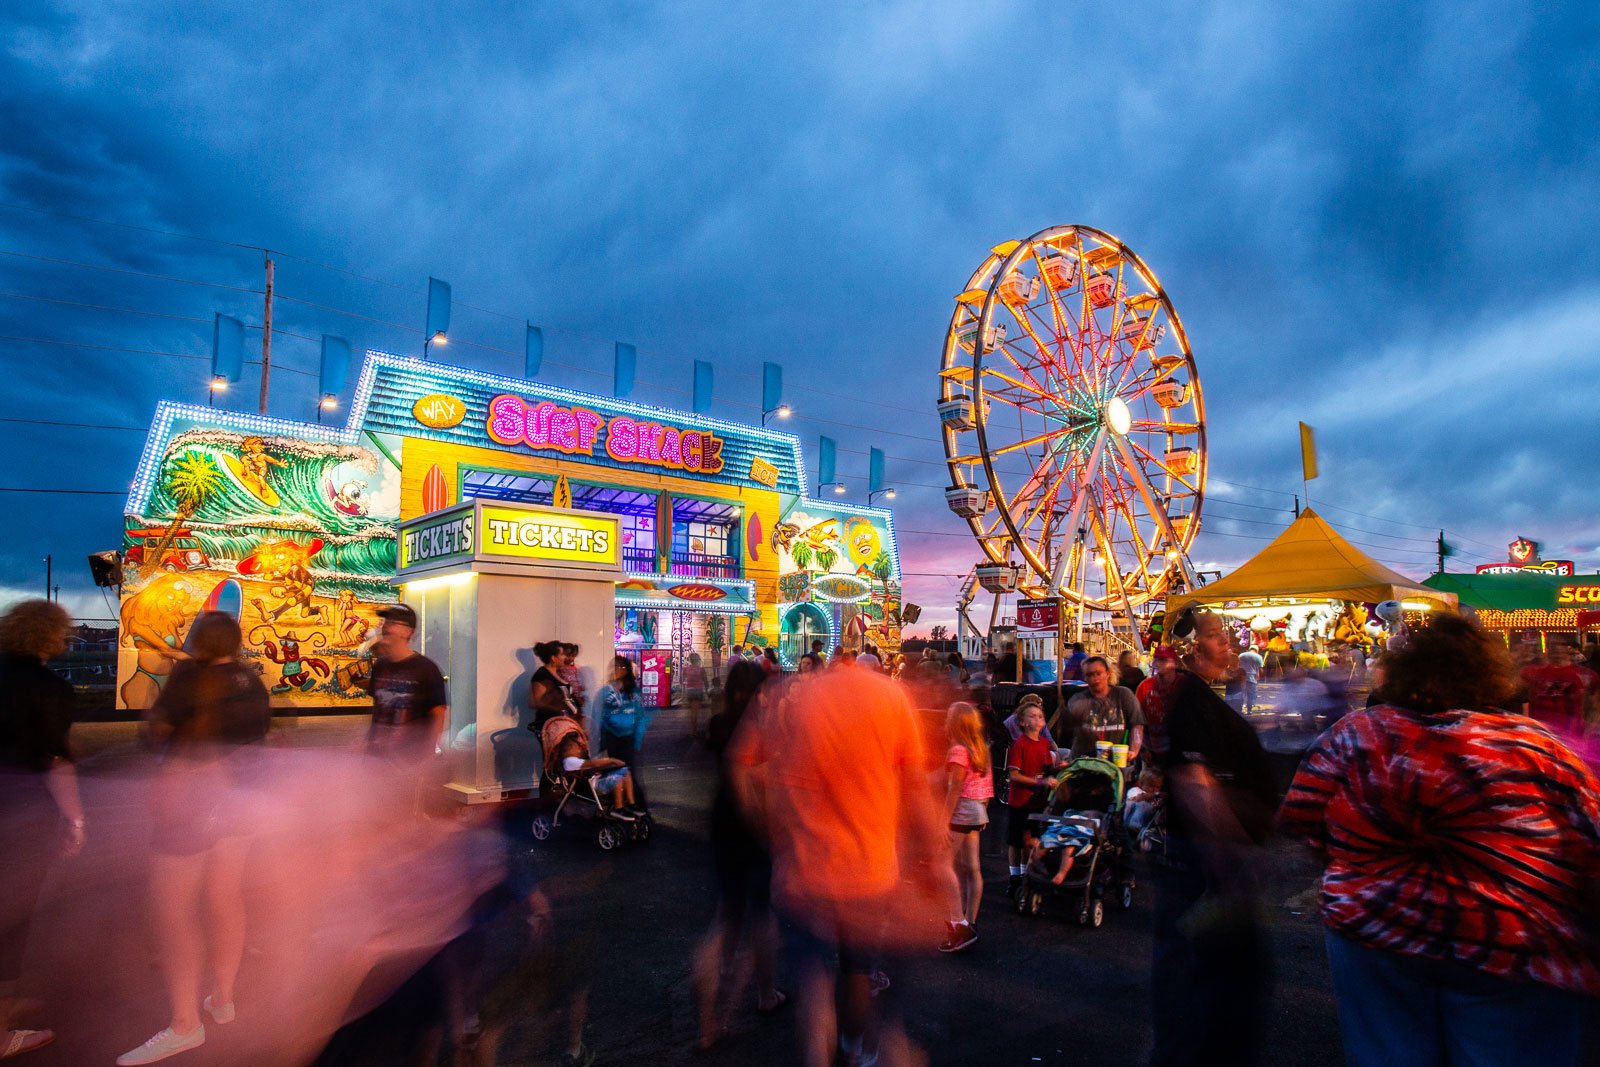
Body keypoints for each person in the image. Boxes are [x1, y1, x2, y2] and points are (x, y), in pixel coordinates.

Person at [1282, 613, 1600, 1067]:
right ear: (1490, 675)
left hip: (1374, 931)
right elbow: (1590, 842)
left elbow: (1301, 819)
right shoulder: (1538, 747)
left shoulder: (1353, 735)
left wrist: (1362, 865)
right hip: (1509, 943)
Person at [729, 657, 945, 1067]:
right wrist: (933, 857)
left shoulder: (803, 699)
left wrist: (773, 841)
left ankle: (818, 1054)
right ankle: (854, 1046)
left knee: (813, 975)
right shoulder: (893, 697)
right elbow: (916, 786)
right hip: (871, 869)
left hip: (807, 869)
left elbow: (767, 782)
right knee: (857, 968)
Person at [118, 611, 274, 1065]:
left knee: (174, 911)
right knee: (225, 895)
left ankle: (185, 1025)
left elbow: (156, 735)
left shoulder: (190, 678)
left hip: (192, 803)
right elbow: (257, 741)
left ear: (197, 639)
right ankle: (222, 999)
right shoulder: (252, 680)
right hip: (241, 804)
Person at [1148, 609, 1277, 1067]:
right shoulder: (1190, 699)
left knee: (1209, 999)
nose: (1227, 643)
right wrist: (1231, 862)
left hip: (1208, 865)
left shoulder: (1203, 696)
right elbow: (1193, 780)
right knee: (1202, 1000)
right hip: (1204, 869)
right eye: (1217, 636)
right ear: (1191, 646)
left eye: (1226, 635)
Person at [0, 600, 82, 1060]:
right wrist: (75, 820)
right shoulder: (49, 689)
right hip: (19, 814)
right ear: (53, 636)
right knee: (10, 919)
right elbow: (57, 763)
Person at [694, 660, 785, 1052]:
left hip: (722, 823)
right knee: (762, 914)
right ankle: (765, 993)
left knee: (724, 919)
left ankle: (707, 1024)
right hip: (755, 824)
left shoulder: (718, 724)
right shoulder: (765, 730)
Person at [364, 604, 447, 763]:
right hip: (376, 760)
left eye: (392, 622)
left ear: (408, 631)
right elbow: (378, 711)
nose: (385, 627)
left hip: (408, 764)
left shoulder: (427, 670)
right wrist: (367, 742)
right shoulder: (380, 667)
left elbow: (438, 716)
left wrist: (426, 760)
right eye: (384, 622)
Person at [940, 702, 991, 952]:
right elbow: (988, 788)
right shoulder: (980, 748)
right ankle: (971, 922)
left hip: (962, 811)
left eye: (949, 716)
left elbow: (954, 788)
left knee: (942, 865)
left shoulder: (958, 750)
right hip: (978, 810)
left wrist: (942, 821)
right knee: (973, 867)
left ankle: (957, 922)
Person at [1004, 698, 1059, 900]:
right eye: (1032, 716)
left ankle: (1026, 874)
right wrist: (1038, 783)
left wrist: (1056, 771)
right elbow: (1013, 775)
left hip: (1037, 803)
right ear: (1022, 722)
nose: (1037, 719)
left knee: (1030, 840)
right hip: (1019, 801)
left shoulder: (1044, 744)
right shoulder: (1019, 745)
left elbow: (1046, 769)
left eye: (1040, 716)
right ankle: (1014, 877)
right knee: (1015, 841)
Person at [1062, 656, 1144, 762]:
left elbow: (1137, 724)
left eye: (1098, 673)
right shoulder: (1078, 699)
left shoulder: (1123, 695)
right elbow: (1067, 725)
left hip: (1115, 761)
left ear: (1108, 674)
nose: (1095, 678)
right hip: (1084, 762)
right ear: (1085, 678)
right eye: (1090, 675)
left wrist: (1134, 751)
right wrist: (1074, 712)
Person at [598, 656, 652, 813]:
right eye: (614, 667)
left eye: (620, 667)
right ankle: (619, 806)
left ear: (626, 670)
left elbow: (641, 717)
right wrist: (602, 739)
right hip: (612, 737)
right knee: (614, 772)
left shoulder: (634, 692)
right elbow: (603, 715)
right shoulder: (607, 691)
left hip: (628, 737)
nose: (616, 670)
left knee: (629, 773)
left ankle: (638, 807)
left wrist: (637, 739)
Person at [1520, 646, 1594, 738]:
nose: (1557, 655)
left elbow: (1579, 704)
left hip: (1564, 728)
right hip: (1542, 726)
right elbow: (1531, 697)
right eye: (1555, 652)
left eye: (1559, 652)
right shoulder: (1538, 673)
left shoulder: (1574, 675)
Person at [1135, 647, 1181, 758]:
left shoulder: (1184, 685)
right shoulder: (1145, 686)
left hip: (1178, 751)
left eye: (1163, 660)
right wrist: (1142, 749)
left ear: (1174, 663)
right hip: (1151, 751)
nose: (1158, 663)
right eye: (1156, 659)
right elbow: (1137, 720)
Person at [529, 641, 579, 732]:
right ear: (553, 658)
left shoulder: (559, 673)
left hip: (565, 722)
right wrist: (561, 709)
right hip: (552, 724)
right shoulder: (541, 675)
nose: (565, 657)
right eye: (562, 654)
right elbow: (536, 703)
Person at [682, 651, 709, 739]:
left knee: (692, 712)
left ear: (690, 660)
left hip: (689, 691)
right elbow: (705, 681)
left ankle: (692, 731)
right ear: (698, 660)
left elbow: (681, 680)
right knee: (696, 712)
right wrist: (707, 690)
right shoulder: (701, 669)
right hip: (698, 691)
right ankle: (695, 731)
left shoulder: (686, 669)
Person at [1236, 645, 1263, 713]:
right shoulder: (1258, 657)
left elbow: (1237, 665)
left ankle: (1239, 709)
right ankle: (1249, 710)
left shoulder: (1241, 655)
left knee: (1241, 693)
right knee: (1251, 695)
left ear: (1249, 649)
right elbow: (1260, 670)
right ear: (1257, 650)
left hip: (1241, 677)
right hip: (1252, 678)